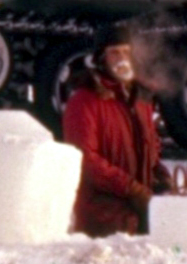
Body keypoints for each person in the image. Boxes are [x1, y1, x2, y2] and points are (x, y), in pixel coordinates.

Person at [62, 28, 170, 237]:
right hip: (105, 217)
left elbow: (151, 145)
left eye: (126, 52)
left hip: (137, 212)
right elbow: (86, 160)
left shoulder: (139, 99)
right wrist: (132, 189)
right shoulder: (84, 101)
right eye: (115, 53)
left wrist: (159, 174)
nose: (122, 59)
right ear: (101, 59)